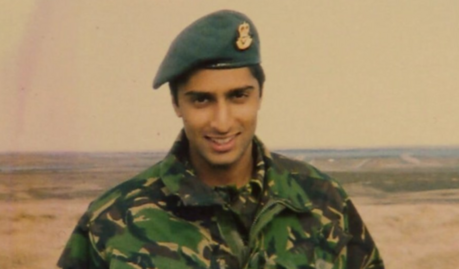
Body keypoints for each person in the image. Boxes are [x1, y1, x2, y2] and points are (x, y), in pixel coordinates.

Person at [57, 9, 384, 269]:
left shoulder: (323, 203)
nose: (222, 121)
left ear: (259, 96)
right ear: (176, 104)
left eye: (238, 96)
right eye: (201, 100)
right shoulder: (115, 219)